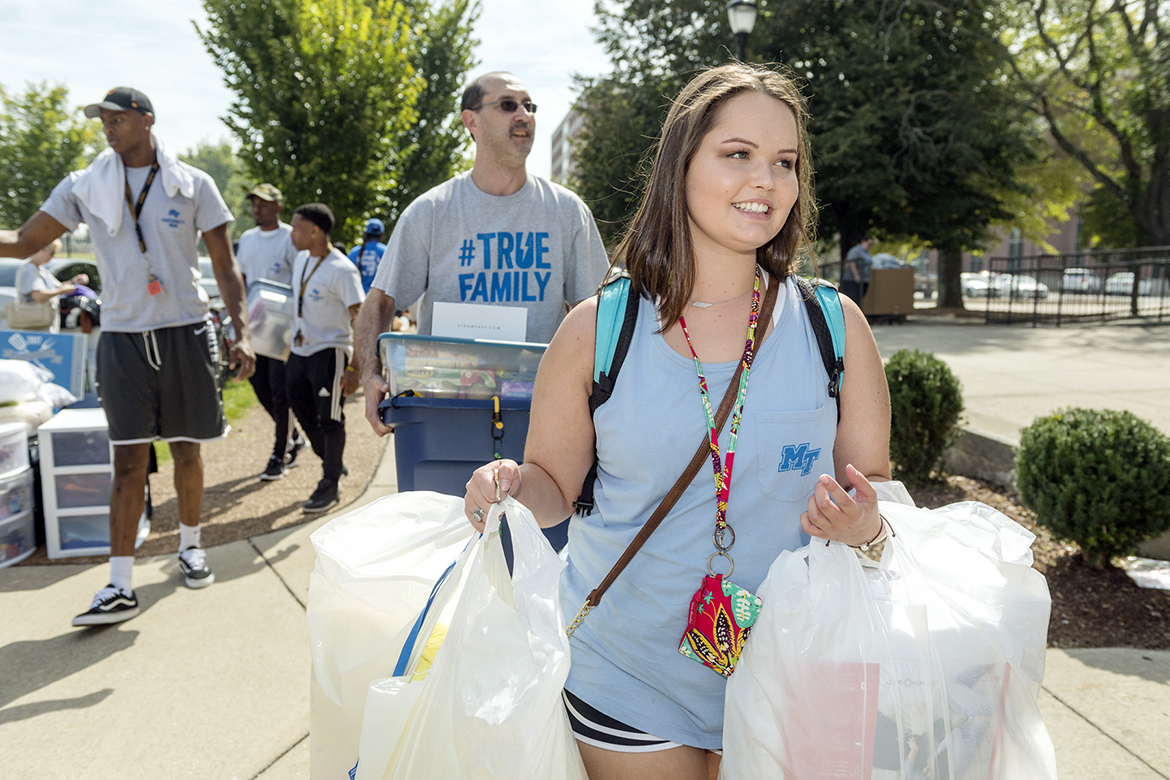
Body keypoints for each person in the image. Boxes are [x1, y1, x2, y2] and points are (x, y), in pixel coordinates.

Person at [462, 63, 892, 780]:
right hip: (623, 676)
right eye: (737, 154)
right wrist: (505, 486)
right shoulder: (596, 329)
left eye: (784, 162)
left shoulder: (834, 326)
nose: (767, 179)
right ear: (681, 164)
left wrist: (864, 524)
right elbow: (551, 488)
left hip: (798, 674)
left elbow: (880, 498)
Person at [0, 86, 255, 626]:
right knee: (127, 461)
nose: (107, 128)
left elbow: (225, 266)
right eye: (103, 121)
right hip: (122, 336)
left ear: (147, 120)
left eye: (117, 119)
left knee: (188, 450)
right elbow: (25, 242)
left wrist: (242, 332)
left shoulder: (193, 185)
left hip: (184, 329)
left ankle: (190, 546)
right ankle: (118, 584)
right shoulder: (85, 186)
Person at [354, 71, 610, 436]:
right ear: (470, 121)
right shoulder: (430, 212)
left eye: (529, 106)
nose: (524, 115)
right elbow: (379, 302)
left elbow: (598, 312)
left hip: (541, 412)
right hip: (445, 412)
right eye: (508, 105)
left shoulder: (566, 211)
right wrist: (370, 374)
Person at [286, 203, 365, 513]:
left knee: (330, 418)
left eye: (296, 228)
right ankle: (333, 461)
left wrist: (355, 368)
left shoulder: (342, 270)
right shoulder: (302, 260)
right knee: (300, 408)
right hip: (299, 350)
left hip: (329, 352)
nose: (292, 235)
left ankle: (330, 483)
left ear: (315, 231)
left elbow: (360, 321)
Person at [235, 182, 306, 480]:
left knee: (280, 392)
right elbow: (239, 278)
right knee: (258, 384)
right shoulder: (247, 239)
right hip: (253, 325)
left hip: (280, 326)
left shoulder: (289, 238)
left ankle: (280, 453)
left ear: (277, 206)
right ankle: (295, 435)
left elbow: (299, 280)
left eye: (263, 203)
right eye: (253, 203)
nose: (256, 208)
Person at [14, 239, 89, 333]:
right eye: (52, 252)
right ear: (41, 249)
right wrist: (62, 290)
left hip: (43, 325)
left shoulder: (40, 270)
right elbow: (38, 296)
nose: (53, 256)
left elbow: (57, 287)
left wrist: (74, 281)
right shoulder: (29, 270)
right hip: (35, 327)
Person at [348, 218, 386, 293]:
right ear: (382, 234)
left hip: (357, 298)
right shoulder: (387, 251)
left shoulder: (354, 252)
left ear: (366, 234)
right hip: (378, 299)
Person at [841, 234, 874, 304]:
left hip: (864, 279)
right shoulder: (856, 250)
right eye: (869, 244)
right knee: (853, 299)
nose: (870, 246)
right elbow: (851, 262)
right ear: (863, 242)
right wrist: (856, 275)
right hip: (852, 280)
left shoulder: (867, 252)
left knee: (860, 298)